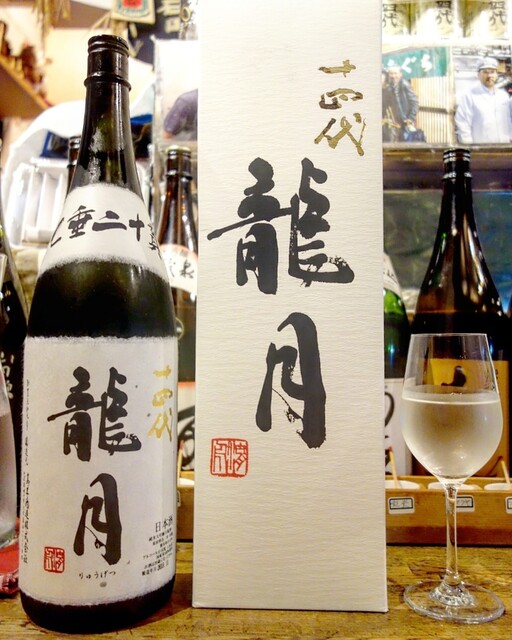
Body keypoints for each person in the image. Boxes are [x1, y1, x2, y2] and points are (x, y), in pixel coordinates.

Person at [455, 57, 512, 144]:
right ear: (478, 75)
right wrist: (469, 147)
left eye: (492, 72)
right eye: (485, 72)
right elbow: (463, 124)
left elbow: (508, 120)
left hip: (504, 146)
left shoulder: (503, 96)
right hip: (482, 148)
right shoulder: (470, 96)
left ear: (497, 75)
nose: (489, 76)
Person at [382, 64, 419, 142]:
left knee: (406, 142)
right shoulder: (389, 86)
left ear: (400, 74)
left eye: (395, 73)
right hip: (394, 122)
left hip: (405, 120)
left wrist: (411, 118)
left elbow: (414, 102)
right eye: (391, 74)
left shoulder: (404, 85)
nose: (393, 76)